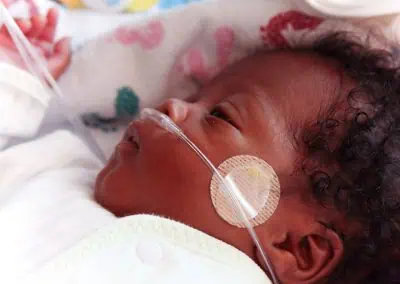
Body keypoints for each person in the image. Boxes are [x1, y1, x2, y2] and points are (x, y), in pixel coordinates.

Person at [0, 8, 398, 284]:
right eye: (198, 97)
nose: (171, 105)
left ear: (298, 248)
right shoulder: (59, 165)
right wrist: (13, 79)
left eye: (219, 116)